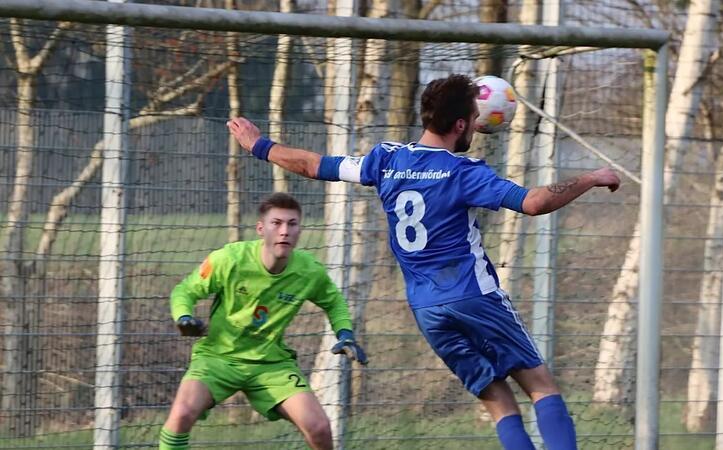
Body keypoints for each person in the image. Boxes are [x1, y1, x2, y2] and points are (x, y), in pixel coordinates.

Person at [227, 74, 620, 450]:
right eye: (475, 119)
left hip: (427, 308)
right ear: (463, 123)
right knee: (541, 386)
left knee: (498, 401)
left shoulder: (386, 160)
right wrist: (591, 177)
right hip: (474, 296)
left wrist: (259, 146)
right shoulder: (464, 172)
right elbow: (534, 202)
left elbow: (314, 165)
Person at [158, 193, 367, 450]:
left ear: (300, 230)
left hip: (271, 365)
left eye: (292, 224)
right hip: (217, 359)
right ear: (260, 228)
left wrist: (345, 333)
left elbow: (334, 302)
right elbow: (185, 291)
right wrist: (184, 317)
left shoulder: (309, 271)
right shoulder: (230, 259)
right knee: (181, 415)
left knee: (319, 428)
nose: (284, 231)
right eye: (276, 223)